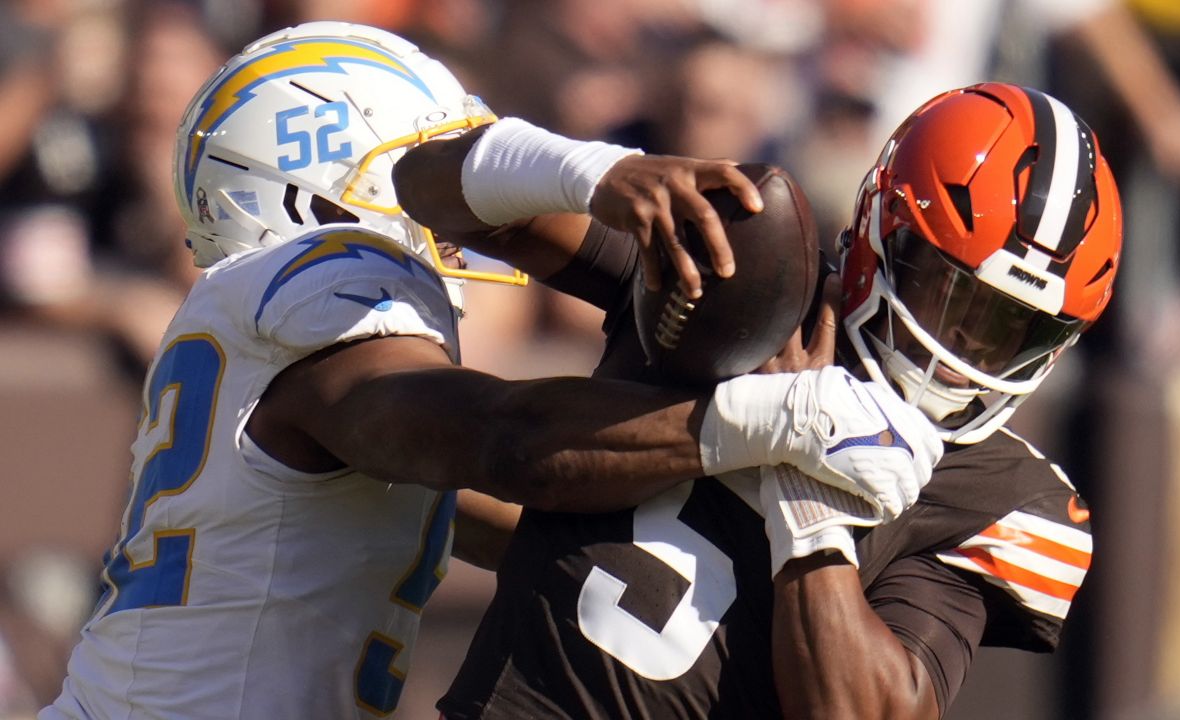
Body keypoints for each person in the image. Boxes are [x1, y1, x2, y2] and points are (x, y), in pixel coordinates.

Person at [40, 22, 942, 720]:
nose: (455, 206)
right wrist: (769, 421)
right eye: (421, 154)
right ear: (323, 174)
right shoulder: (324, 282)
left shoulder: (266, 324)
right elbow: (506, 442)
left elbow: (558, 537)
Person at [397, 82, 1119, 719]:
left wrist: (812, 511)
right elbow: (425, 189)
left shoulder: (1005, 498)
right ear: (880, 229)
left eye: (1009, 331)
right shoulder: (748, 274)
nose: (961, 347)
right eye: (948, 292)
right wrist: (594, 171)